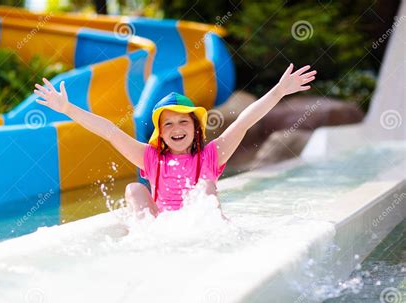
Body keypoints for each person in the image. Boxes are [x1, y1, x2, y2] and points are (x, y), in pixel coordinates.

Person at [34, 63, 316, 217]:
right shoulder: (150, 157)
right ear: (160, 131)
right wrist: (68, 109)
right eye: (168, 123)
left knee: (205, 184)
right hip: (162, 227)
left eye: (183, 121)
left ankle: (212, 228)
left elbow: (244, 121)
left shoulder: (212, 155)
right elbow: (109, 131)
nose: (176, 128)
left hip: (201, 226)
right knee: (134, 189)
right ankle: (143, 240)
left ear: (196, 129)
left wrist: (278, 92)